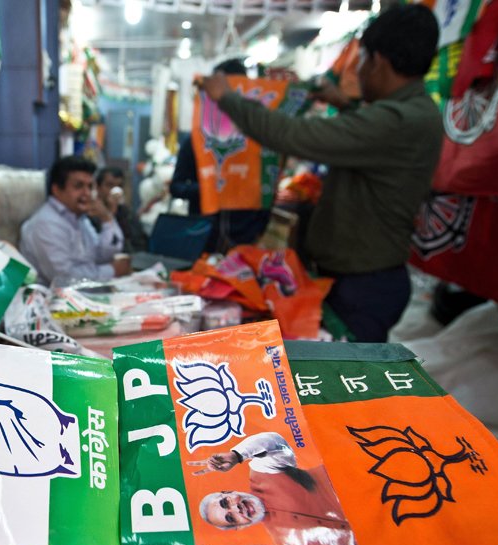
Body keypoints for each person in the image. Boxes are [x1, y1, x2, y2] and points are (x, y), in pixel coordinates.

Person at [197, 4, 442, 342]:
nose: (359, 70)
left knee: (345, 383)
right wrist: (345, 104)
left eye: (363, 60)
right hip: (358, 279)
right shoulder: (411, 114)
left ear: (379, 61)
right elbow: (371, 131)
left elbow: (296, 136)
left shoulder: (398, 121)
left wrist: (227, 98)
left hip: (363, 287)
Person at [169, 59, 272, 253]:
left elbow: (268, 188)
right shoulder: (197, 140)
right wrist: (210, 188)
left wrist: (259, 226)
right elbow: (177, 186)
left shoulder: (258, 139)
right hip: (202, 237)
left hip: (245, 238)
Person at [190, 432, 353, 545]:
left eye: (226, 502)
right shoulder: (283, 541)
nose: (236, 508)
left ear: (229, 491)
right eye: (231, 517)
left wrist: (237, 455)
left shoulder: (262, 473)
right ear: (239, 527)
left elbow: (275, 442)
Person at [19, 155, 130, 285]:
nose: (87, 193)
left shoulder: (79, 219)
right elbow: (63, 279)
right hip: (52, 300)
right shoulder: (46, 224)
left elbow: (101, 256)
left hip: (84, 294)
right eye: (79, 186)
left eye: (90, 187)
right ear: (57, 190)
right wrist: (112, 271)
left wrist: (106, 218)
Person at [90, 166, 148, 253]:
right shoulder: (90, 213)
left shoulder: (127, 214)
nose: (115, 191)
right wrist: (110, 212)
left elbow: (137, 242)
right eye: (109, 185)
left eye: (119, 186)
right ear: (98, 187)